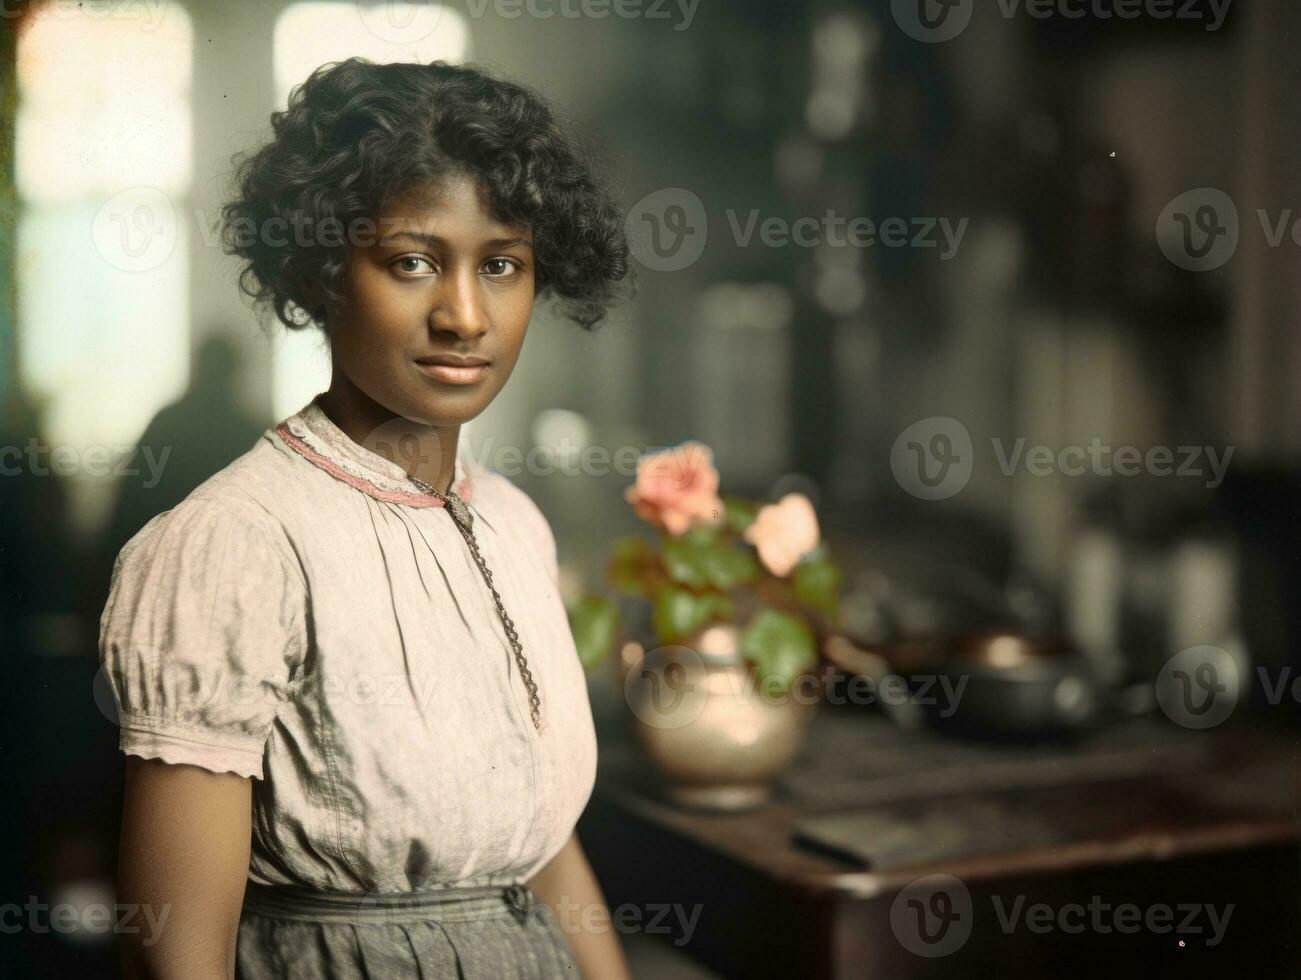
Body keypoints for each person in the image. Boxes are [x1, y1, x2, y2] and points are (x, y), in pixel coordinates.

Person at [98, 57, 634, 979]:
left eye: (500, 265)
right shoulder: (234, 544)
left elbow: (541, 849)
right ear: (321, 272)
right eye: (412, 262)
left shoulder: (513, 522)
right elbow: (176, 956)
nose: (464, 316)